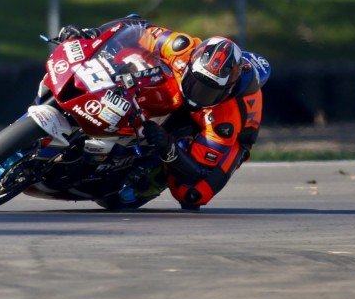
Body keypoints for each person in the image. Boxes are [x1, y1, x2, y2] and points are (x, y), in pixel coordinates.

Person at [56, 16, 271, 210]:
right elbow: (136, 27)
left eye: (208, 91)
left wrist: (169, 149)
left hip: (235, 136)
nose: (198, 93)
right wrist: (92, 34)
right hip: (174, 88)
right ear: (191, 62)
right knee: (132, 57)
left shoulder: (225, 119)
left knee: (191, 194)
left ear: (225, 91)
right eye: (196, 82)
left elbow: (199, 171)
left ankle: (149, 177)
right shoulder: (181, 47)